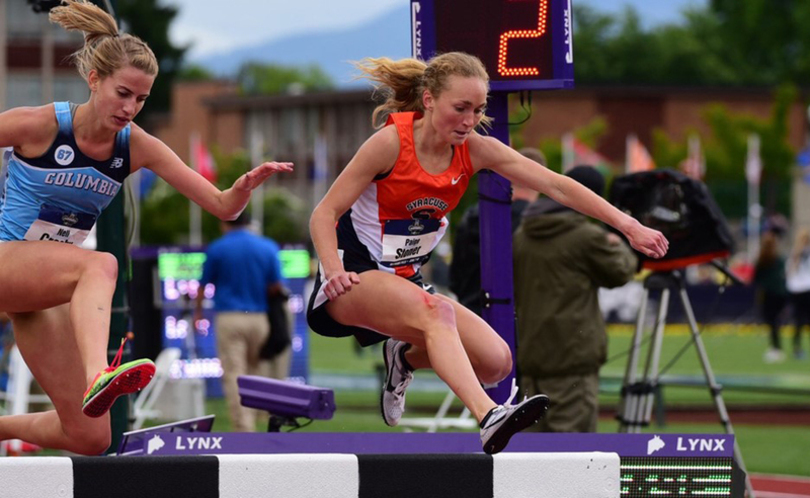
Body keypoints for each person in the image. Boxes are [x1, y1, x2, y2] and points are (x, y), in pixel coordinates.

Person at [306, 52, 668, 454]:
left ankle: (404, 359)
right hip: (352, 280)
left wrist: (629, 225)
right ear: (428, 100)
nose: (469, 120)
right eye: (460, 108)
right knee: (438, 312)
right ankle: (489, 415)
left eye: (477, 110)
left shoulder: (475, 150)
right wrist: (334, 269)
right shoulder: (390, 144)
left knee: (497, 362)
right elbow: (324, 213)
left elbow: (558, 186)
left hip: (405, 281)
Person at [0, 0, 291, 455]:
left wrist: (243, 188)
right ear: (93, 80)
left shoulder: (136, 145)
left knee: (91, 436)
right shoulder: (39, 124)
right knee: (101, 265)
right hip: (7, 261)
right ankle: (101, 375)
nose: (130, 107)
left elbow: (220, 206)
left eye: (141, 99)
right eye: (123, 93)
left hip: (43, 292)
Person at [512, 165, 638, 432]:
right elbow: (620, 272)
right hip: (573, 356)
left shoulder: (522, 235)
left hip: (531, 354)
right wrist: (620, 246)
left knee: (530, 454)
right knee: (574, 454)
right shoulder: (584, 237)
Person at [194, 214, 290, 432]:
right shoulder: (267, 247)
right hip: (260, 319)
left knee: (234, 375)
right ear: (248, 223)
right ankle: (261, 422)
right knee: (257, 374)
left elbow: (202, 286)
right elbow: (276, 286)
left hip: (230, 318)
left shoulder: (218, 248)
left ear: (224, 223)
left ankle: (245, 429)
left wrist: (197, 313)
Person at [449, 148, 545, 316]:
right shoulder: (540, 224)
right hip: (517, 317)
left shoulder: (473, 216)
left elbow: (455, 276)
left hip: (471, 312)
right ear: (541, 179)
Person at [753, 230, 788, 363]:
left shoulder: (763, 260)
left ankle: (776, 348)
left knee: (772, 322)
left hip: (769, 295)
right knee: (775, 322)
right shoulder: (778, 260)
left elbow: (755, 279)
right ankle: (776, 348)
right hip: (780, 294)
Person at [786, 228, 810, 360]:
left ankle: (797, 349)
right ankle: (797, 349)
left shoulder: (795, 253)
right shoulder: (798, 253)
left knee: (798, 321)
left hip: (796, 289)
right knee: (800, 321)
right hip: (804, 289)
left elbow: (789, 273)